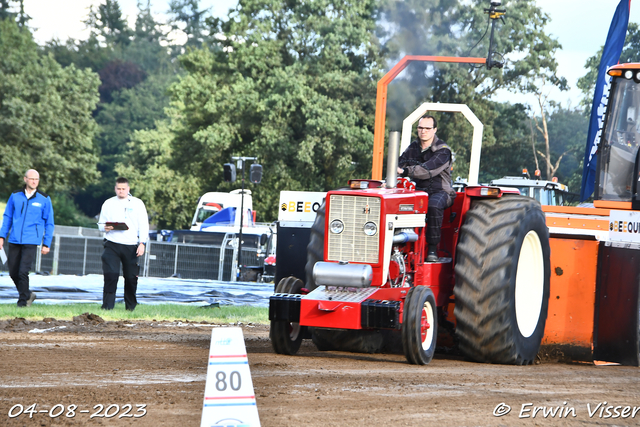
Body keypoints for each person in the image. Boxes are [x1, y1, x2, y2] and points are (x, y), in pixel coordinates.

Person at [397, 115, 456, 262]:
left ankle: (432, 250)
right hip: (418, 191)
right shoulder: (413, 148)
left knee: (433, 205)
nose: (424, 131)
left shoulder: (443, 151)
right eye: (421, 128)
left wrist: (405, 172)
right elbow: (398, 164)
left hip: (441, 191)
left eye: (428, 128)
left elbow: (427, 170)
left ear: (434, 130)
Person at [0, 169, 55, 306]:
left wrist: (46, 243)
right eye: (31, 179)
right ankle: (28, 294)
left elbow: (49, 223)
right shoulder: (15, 196)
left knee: (23, 271)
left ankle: (22, 302)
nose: (34, 181)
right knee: (13, 272)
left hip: (31, 240)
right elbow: (7, 217)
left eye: (36, 179)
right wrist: (2, 236)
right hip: (14, 239)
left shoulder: (44, 199)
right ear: (25, 179)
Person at [97, 178, 149, 311]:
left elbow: (143, 225)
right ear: (115, 189)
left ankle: (130, 307)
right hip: (112, 243)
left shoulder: (138, 204)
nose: (121, 191)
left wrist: (142, 243)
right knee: (111, 275)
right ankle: (107, 307)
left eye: (123, 189)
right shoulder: (108, 203)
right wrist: (106, 227)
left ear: (128, 189)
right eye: (118, 189)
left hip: (131, 244)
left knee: (131, 277)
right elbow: (101, 224)